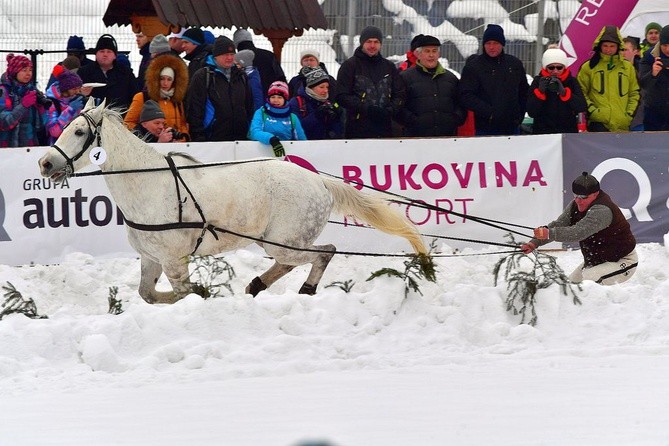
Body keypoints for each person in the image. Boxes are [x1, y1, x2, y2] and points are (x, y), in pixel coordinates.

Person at [521, 172, 637, 286]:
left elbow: (578, 232)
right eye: (575, 196)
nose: (578, 201)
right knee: (569, 287)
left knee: (589, 279)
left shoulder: (602, 210)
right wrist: (534, 243)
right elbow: (559, 224)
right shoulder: (575, 205)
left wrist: (548, 234)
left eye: (583, 197)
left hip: (623, 261)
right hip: (598, 262)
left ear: (596, 194)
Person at [336, 25, 406, 139]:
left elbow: (400, 94)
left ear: (381, 44)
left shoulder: (389, 67)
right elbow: (341, 96)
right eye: (369, 42)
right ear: (362, 43)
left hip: (385, 128)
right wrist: (367, 109)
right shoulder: (349, 66)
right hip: (357, 129)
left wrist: (389, 111)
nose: (372, 45)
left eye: (376, 42)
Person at [459, 24, 528, 136]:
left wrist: (519, 115)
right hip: (484, 128)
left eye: (495, 43)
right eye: (488, 43)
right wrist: (489, 113)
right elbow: (465, 95)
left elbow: (524, 92)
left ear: (502, 44)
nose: (491, 47)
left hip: (512, 127)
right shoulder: (473, 67)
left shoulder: (514, 64)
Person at [187, 35, 254, 142]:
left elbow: (249, 106)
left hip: (240, 138)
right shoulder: (203, 76)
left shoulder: (241, 76)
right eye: (225, 54)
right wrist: (198, 136)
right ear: (215, 56)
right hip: (213, 138)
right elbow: (195, 108)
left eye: (232, 54)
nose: (230, 58)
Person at [398, 34, 466, 137]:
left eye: (434, 51)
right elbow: (398, 106)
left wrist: (454, 120)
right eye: (427, 51)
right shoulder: (405, 77)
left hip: (447, 139)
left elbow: (461, 104)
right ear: (418, 54)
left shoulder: (451, 78)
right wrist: (412, 121)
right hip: (415, 139)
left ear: (439, 54)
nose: (431, 55)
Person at [577, 26, 640, 133]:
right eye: (605, 45)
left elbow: (634, 93)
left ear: (618, 47)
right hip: (598, 123)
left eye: (612, 46)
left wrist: (628, 115)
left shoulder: (627, 67)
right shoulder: (589, 67)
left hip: (622, 125)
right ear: (599, 46)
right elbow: (581, 92)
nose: (608, 49)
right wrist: (593, 111)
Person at [124, 50, 189, 140]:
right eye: (162, 78)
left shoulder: (177, 101)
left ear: (174, 81)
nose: (165, 83)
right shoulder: (142, 97)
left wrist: (182, 140)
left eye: (169, 79)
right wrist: (150, 139)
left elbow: (182, 126)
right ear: (155, 78)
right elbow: (128, 124)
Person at [526, 48, 587, 134]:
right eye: (551, 67)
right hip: (543, 132)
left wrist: (565, 93)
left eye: (559, 67)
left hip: (567, 132)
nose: (555, 71)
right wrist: (539, 93)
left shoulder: (571, 81)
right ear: (545, 67)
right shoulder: (538, 81)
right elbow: (531, 112)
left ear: (564, 67)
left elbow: (582, 107)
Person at [77, 34, 138, 112]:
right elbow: (73, 97)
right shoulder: (84, 72)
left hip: (120, 116)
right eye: (101, 51)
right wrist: (83, 94)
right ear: (96, 54)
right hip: (92, 118)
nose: (105, 55)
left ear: (115, 55)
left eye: (109, 52)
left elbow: (135, 96)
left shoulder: (125, 73)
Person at [0, 54, 49, 147]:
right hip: (6, 149)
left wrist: (41, 108)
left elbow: (40, 126)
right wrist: (23, 106)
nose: (28, 73)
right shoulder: (4, 91)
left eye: (30, 70)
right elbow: (4, 123)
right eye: (24, 70)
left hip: (29, 148)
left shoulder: (31, 90)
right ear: (15, 71)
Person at [249, 81, 306, 157]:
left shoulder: (292, 118)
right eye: (273, 97)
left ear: (285, 99)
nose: (275, 100)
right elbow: (254, 132)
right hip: (262, 154)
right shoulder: (261, 113)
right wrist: (271, 139)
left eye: (279, 97)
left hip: (287, 156)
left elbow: (302, 141)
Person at [289, 67, 343, 140]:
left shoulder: (328, 103)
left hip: (326, 146)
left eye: (327, 87)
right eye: (321, 87)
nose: (326, 90)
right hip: (302, 146)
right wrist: (316, 115)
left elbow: (337, 133)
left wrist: (337, 118)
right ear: (311, 87)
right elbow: (295, 129)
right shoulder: (297, 103)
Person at [233, 28, 286, 92]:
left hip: (246, 98)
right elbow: (280, 77)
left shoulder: (235, 60)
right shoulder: (269, 55)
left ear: (235, 43)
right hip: (271, 96)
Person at [639, 25, 669, 131]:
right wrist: (652, 74)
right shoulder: (649, 56)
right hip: (654, 112)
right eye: (664, 45)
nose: (667, 49)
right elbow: (642, 84)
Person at [44, 70, 85, 144]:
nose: (77, 92)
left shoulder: (75, 100)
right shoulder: (51, 103)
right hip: (58, 147)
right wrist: (70, 110)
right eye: (74, 89)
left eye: (79, 88)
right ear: (65, 89)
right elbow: (54, 131)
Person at [621, 36, 645, 131]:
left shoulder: (643, 71)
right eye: (621, 49)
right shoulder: (612, 71)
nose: (622, 53)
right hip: (618, 120)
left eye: (626, 50)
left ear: (635, 51)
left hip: (638, 120)